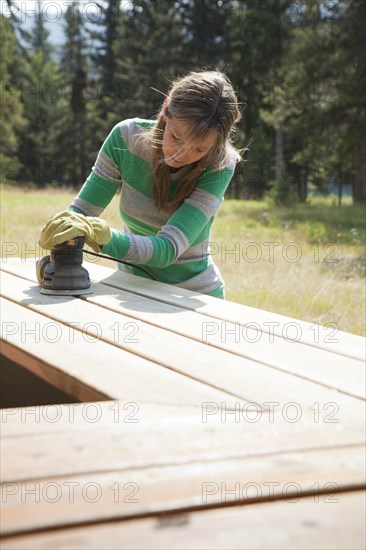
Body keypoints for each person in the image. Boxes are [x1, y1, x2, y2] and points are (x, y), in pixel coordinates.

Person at [39, 70, 242, 298]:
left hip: (192, 295)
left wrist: (103, 236)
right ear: (166, 110)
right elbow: (82, 212)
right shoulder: (125, 139)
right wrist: (63, 238)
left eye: (199, 149)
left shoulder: (220, 164)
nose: (181, 154)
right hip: (129, 287)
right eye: (176, 137)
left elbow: (167, 250)